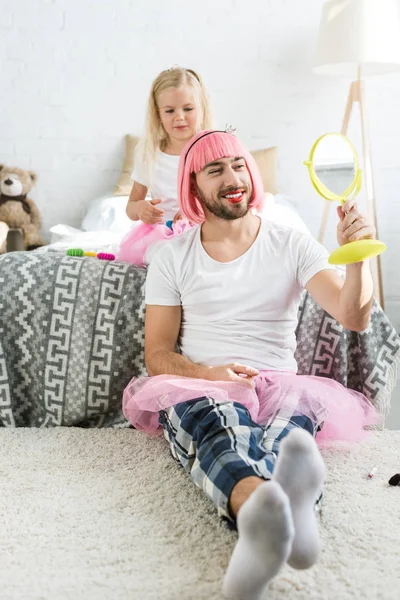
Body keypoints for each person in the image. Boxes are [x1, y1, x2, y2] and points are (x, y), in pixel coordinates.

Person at [122, 130, 381, 599]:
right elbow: (156, 353)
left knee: (290, 437)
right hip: (203, 383)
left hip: (280, 381)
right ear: (193, 185)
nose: (233, 177)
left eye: (239, 165)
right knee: (221, 429)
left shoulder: (292, 242)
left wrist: (357, 258)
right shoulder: (171, 256)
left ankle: (285, 507)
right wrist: (209, 375)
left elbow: (353, 316)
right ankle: (263, 509)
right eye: (216, 170)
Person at [116, 66, 213, 266]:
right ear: (158, 114)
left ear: (201, 108)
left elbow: (223, 203)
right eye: (170, 110)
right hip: (164, 234)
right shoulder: (149, 154)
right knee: (161, 256)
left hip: (206, 231)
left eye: (188, 109)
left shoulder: (210, 150)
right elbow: (131, 207)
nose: (179, 117)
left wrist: (194, 212)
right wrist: (141, 208)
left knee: (204, 255)